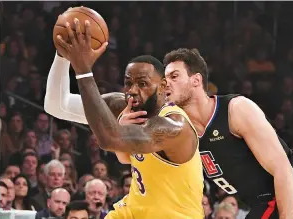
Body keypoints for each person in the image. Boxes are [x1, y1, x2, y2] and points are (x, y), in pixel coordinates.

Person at [44, 19, 204, 219]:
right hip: (131, 212)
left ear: (163, 86)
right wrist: (63, 54)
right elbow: (57, 106)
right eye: (128, 83)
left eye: (143, 84)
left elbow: (109, 139)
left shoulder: (174, 127)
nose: (133, 91)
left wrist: (83, 70)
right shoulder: (125, 107)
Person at [161, 48, 293, 219]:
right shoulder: (183, 131)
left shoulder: (236, 110)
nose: (166, 83)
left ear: (196, 80)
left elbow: (284, 171)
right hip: (262, 204)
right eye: (165, 78)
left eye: (174, 76)